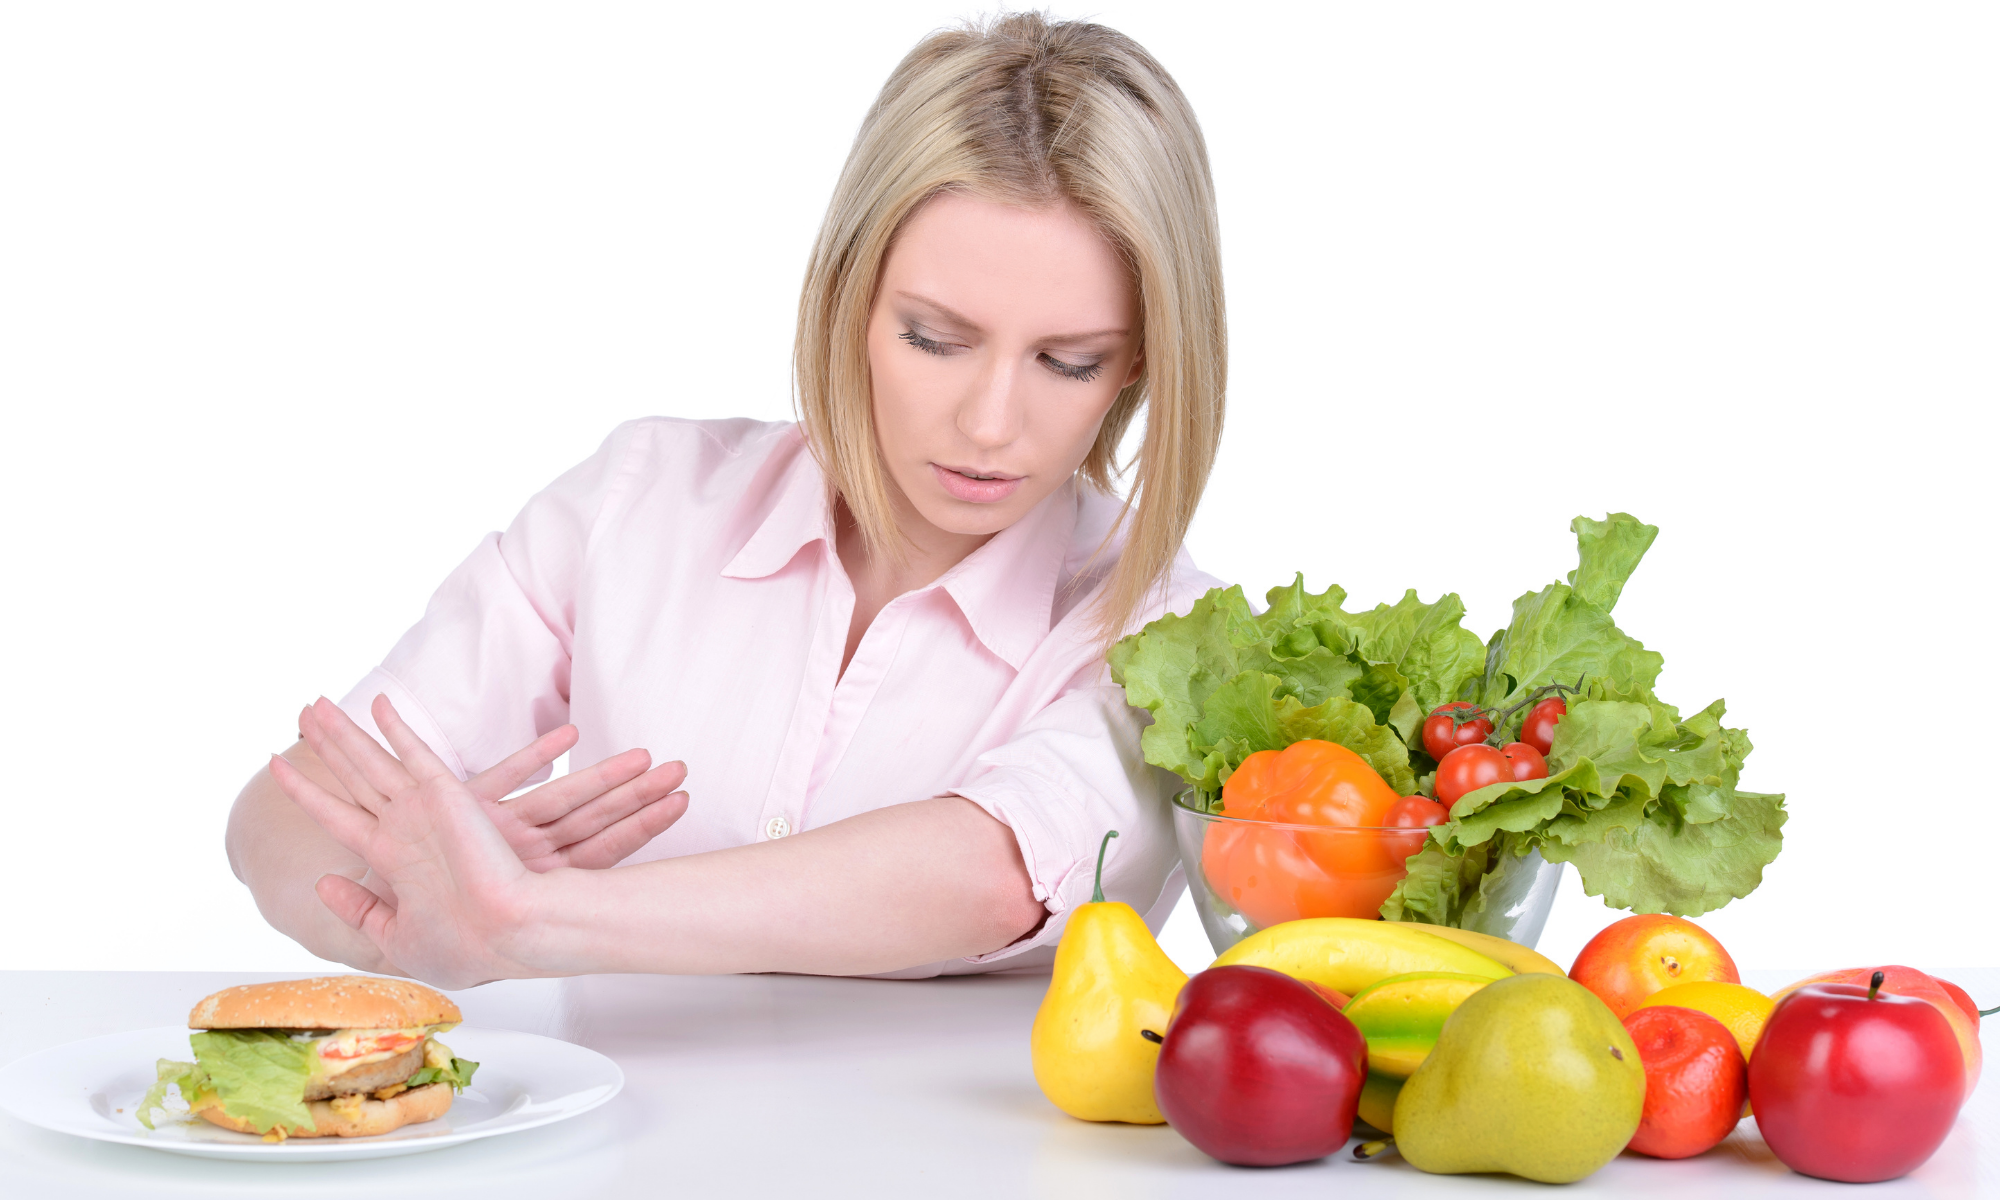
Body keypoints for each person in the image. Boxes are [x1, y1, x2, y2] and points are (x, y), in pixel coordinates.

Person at [227, 13, 1226, 988]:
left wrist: (528, 917)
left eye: (1067, 361)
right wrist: (402, 904)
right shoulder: (640, 504)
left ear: (1139, 358)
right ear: (848, 297)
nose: (991, 422)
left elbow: (992, 874)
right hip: (613, 1153)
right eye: (932, 338)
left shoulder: (1171, 636)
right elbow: (285, 813)